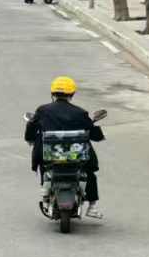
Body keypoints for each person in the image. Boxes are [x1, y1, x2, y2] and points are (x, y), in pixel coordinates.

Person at [24, 75, 105, 216]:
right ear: (72, 93)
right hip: (77, 156)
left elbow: (31, 128)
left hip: (49, 156)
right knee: (89, 173)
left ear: (52, 93)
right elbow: (94, 135)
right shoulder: (80, 112)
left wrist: (30, 139)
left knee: (43, 164)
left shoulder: (43, 110)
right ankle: (92, 207)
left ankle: (46, 194)